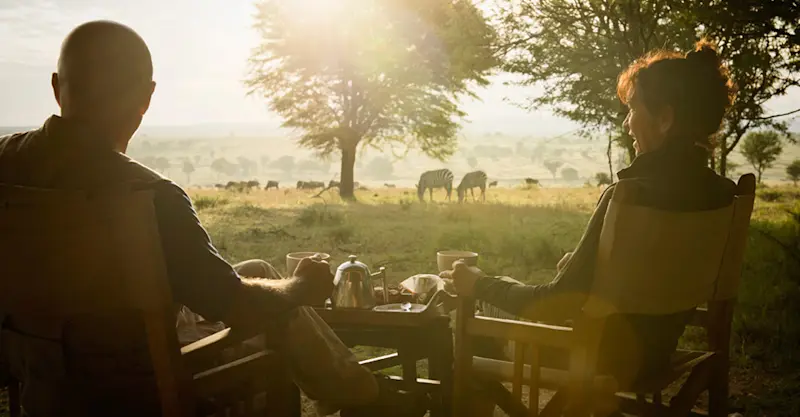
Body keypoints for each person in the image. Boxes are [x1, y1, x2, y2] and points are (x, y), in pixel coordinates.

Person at [0, 20, 427, 417]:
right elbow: (238, 308)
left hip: (43, 377)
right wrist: (301, 285)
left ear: (57, 87)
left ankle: (362, 391)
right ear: (146, 98)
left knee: (258, 271)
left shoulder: (5, 165)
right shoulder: (150, 197)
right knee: (279, 307)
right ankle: (366, 396)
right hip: (142, 384)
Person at [442, 39, 737, 395]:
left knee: (480, 313)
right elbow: (665, 275)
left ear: (665, 119)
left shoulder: (630, 194)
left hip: (598, 359)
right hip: (658, 356)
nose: (628, 125)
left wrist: (477, 283)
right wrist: (596, 270)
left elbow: (550, 304)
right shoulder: (721, 194)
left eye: (632, 108)